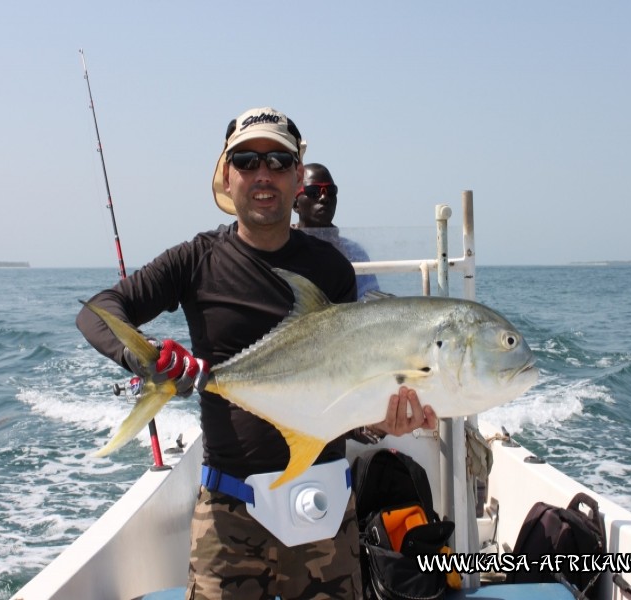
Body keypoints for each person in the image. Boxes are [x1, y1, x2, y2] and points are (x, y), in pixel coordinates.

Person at [76, 107, 437, 600]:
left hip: (324, 516)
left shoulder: (332, 269)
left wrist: (381, 419)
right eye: (246, 160)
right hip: (228, 518)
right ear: (227, 175)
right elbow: (99, 311)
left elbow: (341, 397)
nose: (263, 174)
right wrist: (147, 359)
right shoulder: (195, 260)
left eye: (279, 161)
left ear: (296, 179)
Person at [293, 163, 380, 298]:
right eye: (313, 191)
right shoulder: (284, 249)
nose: (324, 197)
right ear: (295, 204)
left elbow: (370, 301)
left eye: (331, 191)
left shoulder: (354, 253)